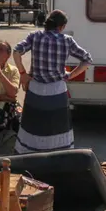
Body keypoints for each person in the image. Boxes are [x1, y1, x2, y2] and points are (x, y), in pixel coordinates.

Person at [12, 10, 92, 153]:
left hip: (36, 89)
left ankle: (30, 156)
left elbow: (16, 51)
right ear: (61, 27)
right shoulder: (67, 40)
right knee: (57, 127)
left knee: (34, 125)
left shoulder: (35, 36)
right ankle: (57, 157)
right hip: (57, 90)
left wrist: (23, 73)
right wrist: (70, 76)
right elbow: (87, 60)